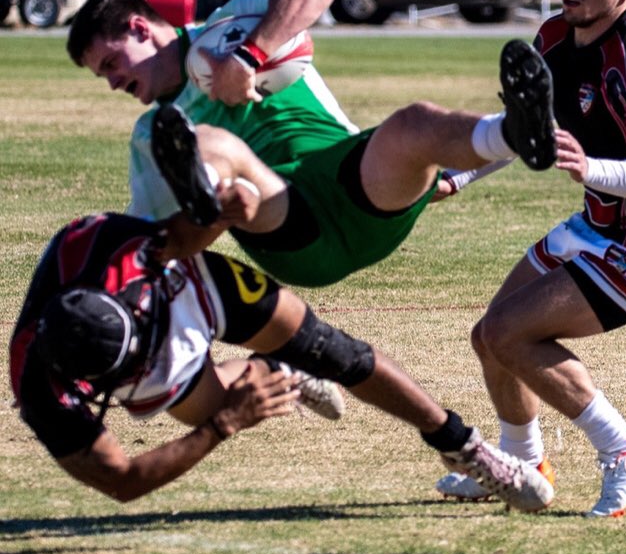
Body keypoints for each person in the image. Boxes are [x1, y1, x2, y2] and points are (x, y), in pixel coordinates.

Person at [8, 155, 554, 510]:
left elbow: (183, 236)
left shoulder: (103, 246)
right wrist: (222, 425)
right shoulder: (42, 392)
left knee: (332, 350)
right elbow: (121, 480)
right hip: (143, 318)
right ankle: (277, 373)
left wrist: (225, 215)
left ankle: (466, 448)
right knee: (197, 410)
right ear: (92, 384)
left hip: (181, 283)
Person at [436, 0, 626, 518]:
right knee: (490, 336)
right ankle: (521, 464)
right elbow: (525, 133)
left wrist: (593, 170)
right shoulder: (555, 37)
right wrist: (459, 173)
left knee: (511, 333)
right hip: (601, 226)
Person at [66, 0, 555, 290]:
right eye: (101, 76)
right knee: (214, 147)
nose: (112, 83)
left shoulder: (233, 20)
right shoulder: (155, 131)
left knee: (412, 122)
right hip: (287, 225)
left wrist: (249, 55)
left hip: (352, 184)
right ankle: (215, 189)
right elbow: (157, 242)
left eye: (110, 63)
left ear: (139, 27)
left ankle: (516, 133)